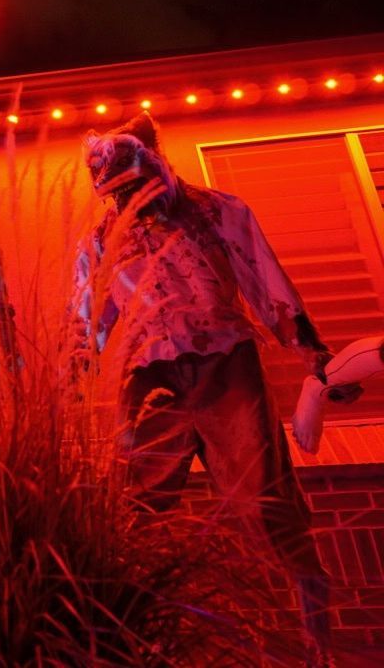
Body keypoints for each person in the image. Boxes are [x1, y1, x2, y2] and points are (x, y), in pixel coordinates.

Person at [73, 112, 334, 661]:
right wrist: (71, 375)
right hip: (148, 379)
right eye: (115, 192)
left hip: (224, 369)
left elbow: (267, 283)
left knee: (261, 503)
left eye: (134, 185)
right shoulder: (101, 241)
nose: (128, 201)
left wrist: (313, 355)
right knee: (132, 518)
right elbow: (86, 326)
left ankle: (311, 646)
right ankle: (130, 648)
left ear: (156, 167)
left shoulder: (219, 212)